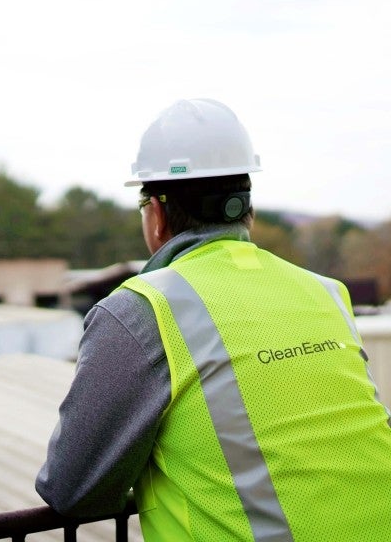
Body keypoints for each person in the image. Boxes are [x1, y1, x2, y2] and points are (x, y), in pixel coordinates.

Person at [35, 98, 391, 541]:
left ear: (158, 214)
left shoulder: (139, 310)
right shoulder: (325, 291)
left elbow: (74, 489)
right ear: (247, 209)